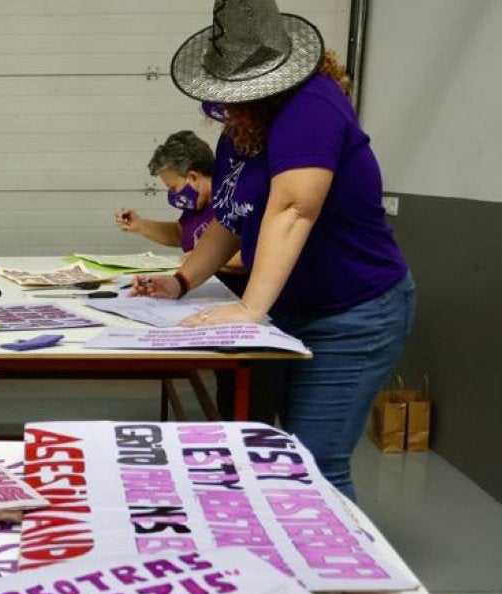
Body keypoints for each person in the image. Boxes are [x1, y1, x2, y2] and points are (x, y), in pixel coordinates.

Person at [132, 0, 415, 501]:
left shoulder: (313, 105)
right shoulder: (242, 130)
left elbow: (292, 209)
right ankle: (296, 560)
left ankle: (334, 578)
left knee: (317, 462)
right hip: (290, 312)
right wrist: (182, 280)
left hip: (353, 313)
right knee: (281, 450)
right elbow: (229, 218)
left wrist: (248, 309)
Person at [115, 130, 247, 294]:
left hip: (237, 294)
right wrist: (141, 225)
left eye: (173, 188)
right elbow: (180, 234)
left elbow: (253, 254)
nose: (173, 195)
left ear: (193, 177)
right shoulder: (196, 207)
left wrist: (201, 260)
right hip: (202, 292)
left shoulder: (233, 202)